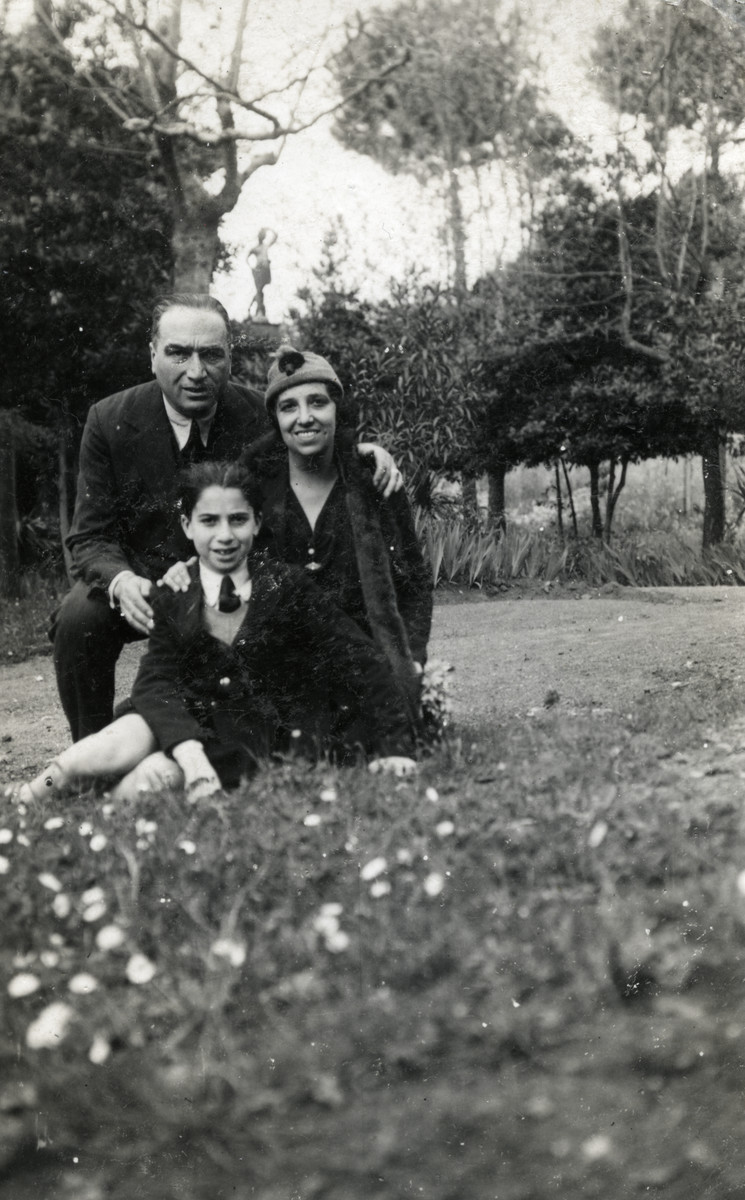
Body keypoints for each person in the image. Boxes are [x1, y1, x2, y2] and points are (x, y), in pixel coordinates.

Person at [52, 294, 402, 742]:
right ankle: (92, 748)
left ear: (230, 358)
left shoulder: (262, 415)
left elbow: (314, 449)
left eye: (211, 354)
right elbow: (89, 537)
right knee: (80, 616)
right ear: (152, 354)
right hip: (151, 587)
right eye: (179, 353)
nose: (196, 372)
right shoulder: (109, 419)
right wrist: (122, 581)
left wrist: (362, 456)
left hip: (238, 582)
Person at [20, 462, 418, 805]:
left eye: (238, 520)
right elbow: (154, 682)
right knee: (89, 756)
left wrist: (396, 747)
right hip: (175, 717)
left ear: (257, 522)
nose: (224, 536)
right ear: (187, 525)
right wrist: (188, 751)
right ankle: (28, 797)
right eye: (209, 521)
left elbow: (362, 659)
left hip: (240, 735)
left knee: (148, 782)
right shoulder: (176, 592)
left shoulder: (288, 588)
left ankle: (99, 802)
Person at [247, 228, 277, 320]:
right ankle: (258, 310)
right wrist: (253, 268)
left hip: (266, 269)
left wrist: (269, 229)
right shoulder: (255, 248)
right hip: (258, 270)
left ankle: (256, 308)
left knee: (260, 290)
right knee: (259, 290)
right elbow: (247, 258)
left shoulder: (265, 246)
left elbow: (275, 237)